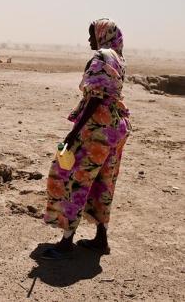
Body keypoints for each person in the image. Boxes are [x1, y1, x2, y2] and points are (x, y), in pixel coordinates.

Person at [42, 18, 130, 260]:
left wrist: (73, 133)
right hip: (116, 127)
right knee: (105, 182)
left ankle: (66, 242)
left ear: (103, 34)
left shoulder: (102, 56)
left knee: (74, 179)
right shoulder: (118, 57)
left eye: (92, 34)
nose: (89, 40)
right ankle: (101, 238)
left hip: (97, 129)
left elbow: (96, 98)